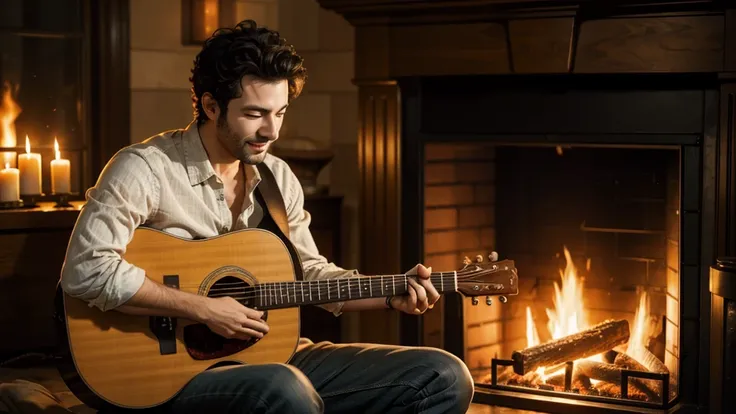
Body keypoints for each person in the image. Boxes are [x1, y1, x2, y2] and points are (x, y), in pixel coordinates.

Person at [59, 20, 475, 414]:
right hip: (160, 374)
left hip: (267, 357)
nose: (272, 131)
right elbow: (86, 269)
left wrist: (389, 294)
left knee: (443, 375)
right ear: (210, 106)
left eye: (280, 112)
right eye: (255, 114)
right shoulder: (144, 169)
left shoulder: (277, 177)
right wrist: (200, 308)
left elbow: (308, 274)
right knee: (285, 389)